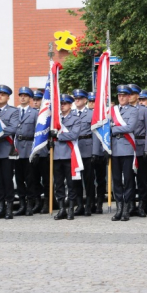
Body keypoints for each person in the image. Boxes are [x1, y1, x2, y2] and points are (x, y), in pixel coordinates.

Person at [0, 85, 19, 220]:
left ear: (8, 97)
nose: (0, 96)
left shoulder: (13, 111)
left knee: (7, 180)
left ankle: (9, 208)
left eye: (3, 94)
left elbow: (12, 129)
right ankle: (0, 207)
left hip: (6, 150)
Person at [52, 94, 82, 220]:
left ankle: (70, 208)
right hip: (56, 156)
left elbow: (74, 135)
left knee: (71, 184)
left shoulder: (75, 119)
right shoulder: (55, 119)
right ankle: (61, 208)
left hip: (69, 155)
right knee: (58, 184)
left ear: (70, 105)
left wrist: (58, 136)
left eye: (65, 103)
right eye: (61, 104)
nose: (62, 106)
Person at [110, 85, 138, 221]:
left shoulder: (133, 111)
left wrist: (114, 129)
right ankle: (119, 208)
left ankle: (126, 209)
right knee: (116, 180)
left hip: (127, 148)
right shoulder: (112, 111)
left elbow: (130, 127)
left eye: (124, 95)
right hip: (114, 149)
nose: (121, 98)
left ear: (128, 97)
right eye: (119, 96)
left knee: (128, 180)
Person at [128, 83, 147, 217]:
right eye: (128, 94)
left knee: (142, 179)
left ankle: (142, 205)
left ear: (137, 96)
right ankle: (131, 205)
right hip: (127, 148)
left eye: (132, 94)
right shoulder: (122, 110)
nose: (129, 96)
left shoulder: (144, 110)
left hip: (141, 146)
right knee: (129, 178)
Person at [15, 86, 38, 216]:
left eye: (25, 96)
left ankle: (30, 204)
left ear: (30, 98)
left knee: (30, 179)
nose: (22, 97)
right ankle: (22, 204)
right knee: (19, 179)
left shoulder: (34, 113)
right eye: (21, 95)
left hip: (29, 147)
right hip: (17, 148)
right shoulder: (14, 112)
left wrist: (36, 152)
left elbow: (38, 133)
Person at [72, 88, 93, 216]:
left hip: (87, 148)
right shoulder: (71, 113)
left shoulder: (91, 114)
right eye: (76, 99)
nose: (77, 100)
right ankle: (79, 205)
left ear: (85, 100)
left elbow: (95, 134)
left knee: (89, 179)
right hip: (75, 149)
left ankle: (89, 205)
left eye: (79, 98)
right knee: (76, 179)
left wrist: (95, 152)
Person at [89, 91, 108, 214]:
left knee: (101, 179)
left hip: (101, 152)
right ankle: (91, 202)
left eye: (94, 102)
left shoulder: (104, 115)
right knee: (90, 179)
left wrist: (105, 150)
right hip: (88, 151)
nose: (92, 104)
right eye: (90, 101)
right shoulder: (85, 115)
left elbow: (106, 134)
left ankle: (100, 203)